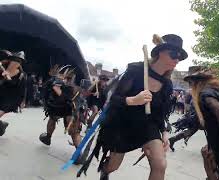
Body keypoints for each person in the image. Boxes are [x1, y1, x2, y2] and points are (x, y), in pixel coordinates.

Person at [77, 34, 188, 180]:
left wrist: (164, 133)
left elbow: (162, 113)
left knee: (160, 164)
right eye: (174, 54)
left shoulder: (167, 85)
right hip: (124, 123)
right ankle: (105, 171)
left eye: (179, 57)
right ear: (161, 51)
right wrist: (133, 100)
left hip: (148, 126)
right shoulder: (136, 70)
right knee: (113, 166)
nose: (177, 60)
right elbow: (111, 98)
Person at [39, 65, 84, 163]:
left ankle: (78, 153)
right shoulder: (67, 84)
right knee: (54, 119)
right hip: (60, 107)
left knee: (73, 130)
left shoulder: (60, 82)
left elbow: (56, 89)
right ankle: (48, 137)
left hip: (68, 107)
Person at [0, 50, 26, 136]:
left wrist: (22, 101)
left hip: (11, 99)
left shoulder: (21, 74)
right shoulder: (4, 67)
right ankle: (2, 126)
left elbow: (18, 87)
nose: (16, 62)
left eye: (19, 61)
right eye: (15, 59)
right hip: (2, 95)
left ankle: (1, 126)